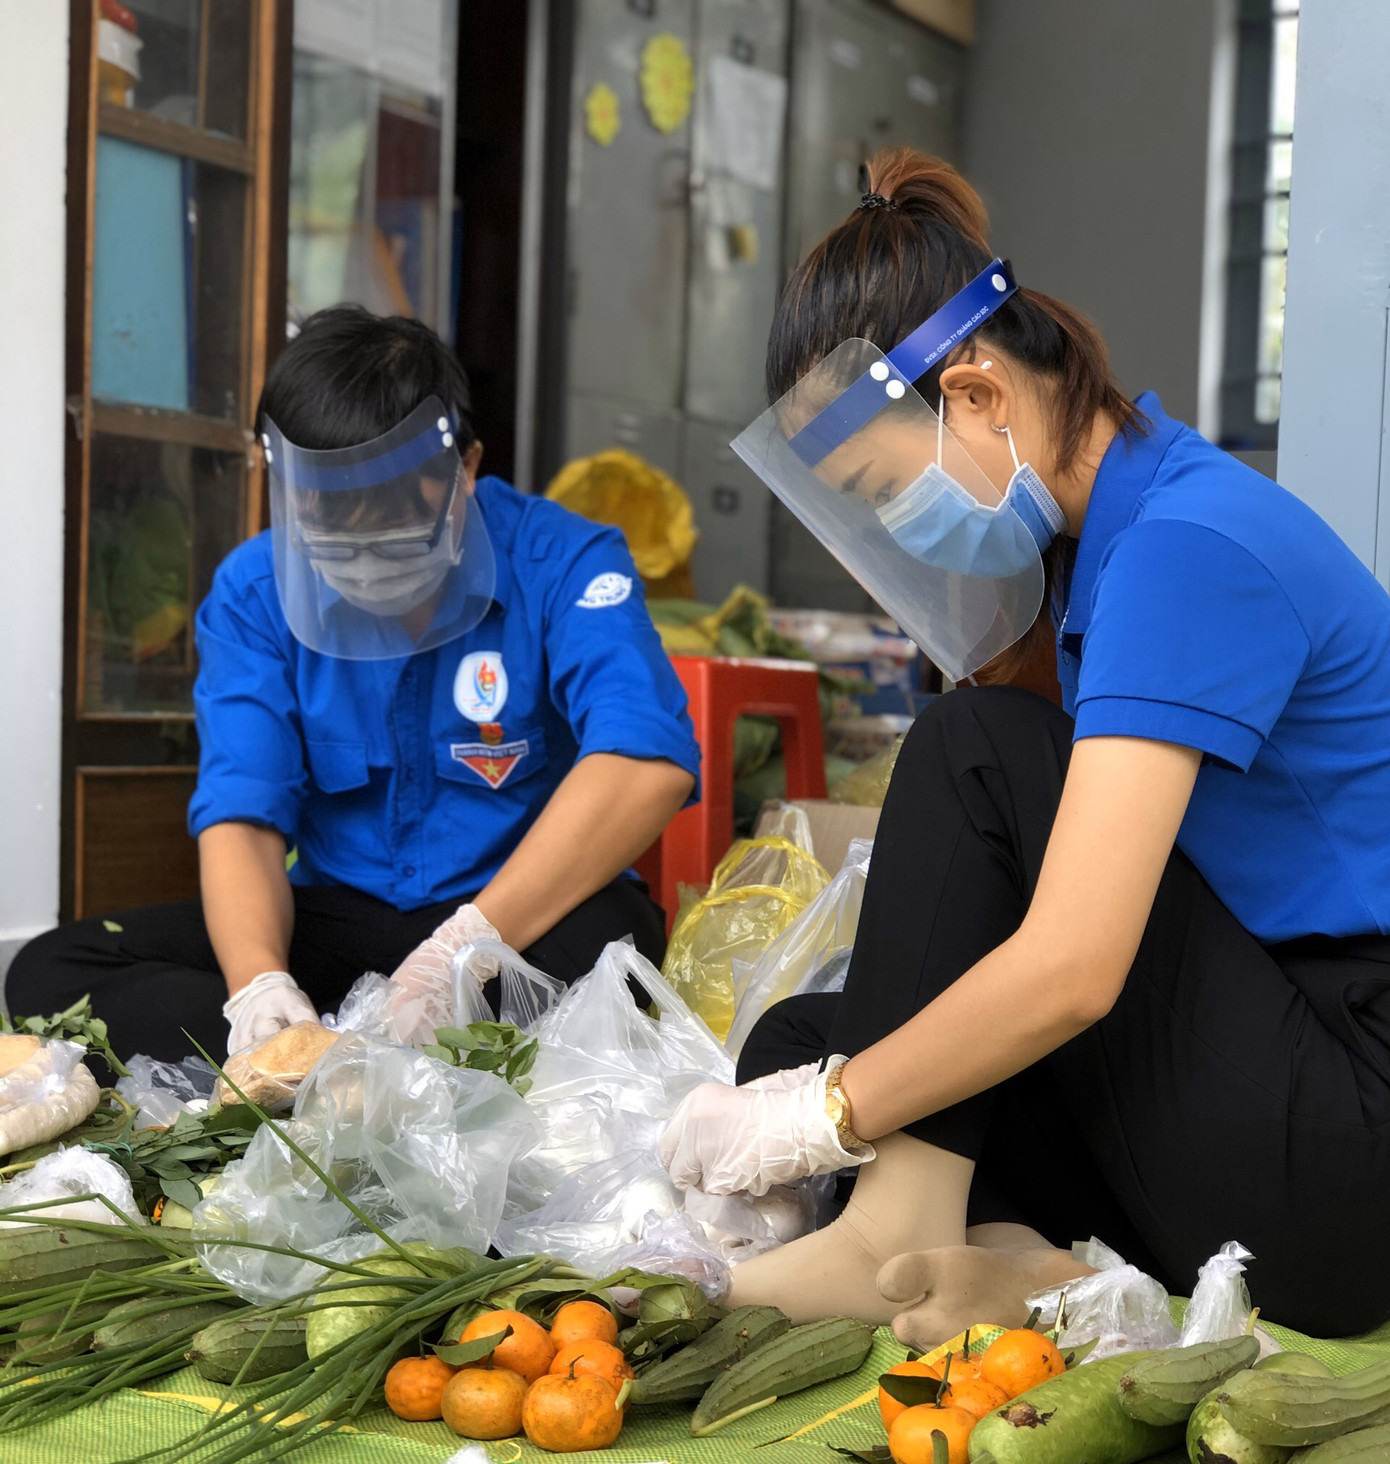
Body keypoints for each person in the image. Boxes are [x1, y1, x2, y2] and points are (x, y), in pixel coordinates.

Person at [659, 149, 1390, 1345]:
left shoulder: (1187, 546)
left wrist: (832, 1118)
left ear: (979, 396)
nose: (900, 526)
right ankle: (1010, 1262)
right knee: (808, 1033)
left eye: (880, 487)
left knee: (975, 753)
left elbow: (1072, 967)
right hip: (1263, 1073)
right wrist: (831, 1081)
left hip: (1347, 1136)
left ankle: (892, 1232)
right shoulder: (1101, 550)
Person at [8, 309, 698, 1063]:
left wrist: (463, 950)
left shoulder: (565, 559)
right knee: (54, 970)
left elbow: (645, 762)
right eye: (333, 538)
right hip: (340, 922)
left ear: (465, 468)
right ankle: (320, 1060)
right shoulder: (253, 591)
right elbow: (243, 813)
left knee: (612, 956)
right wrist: (261, 986)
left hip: (516, 920)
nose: (367, 566)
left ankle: (355, 1061)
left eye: (396, 536)